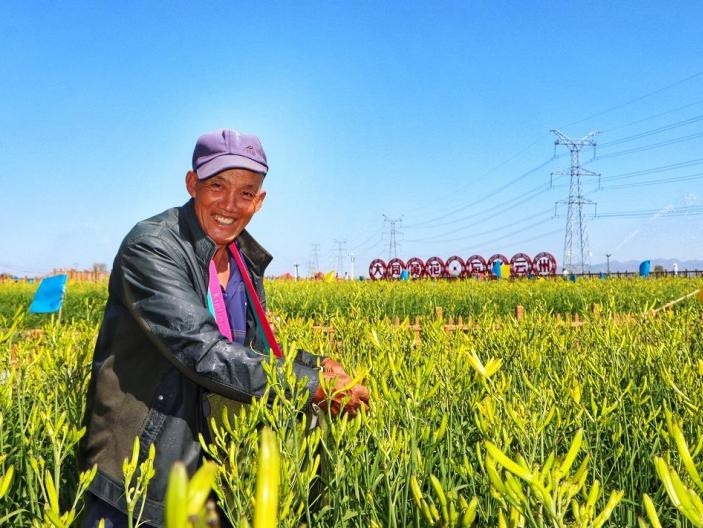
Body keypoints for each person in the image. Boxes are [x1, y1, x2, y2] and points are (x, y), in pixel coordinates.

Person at [79, 128, 369, 527]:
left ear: (260, 201)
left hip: (212, 471)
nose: (231, 205)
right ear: (191, 183)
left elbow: (248, 353)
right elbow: (203, 351)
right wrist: (310, 385)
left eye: (246, 193)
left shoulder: (243, 261)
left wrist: (316, 366)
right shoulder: (152, 246)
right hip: (138, 476)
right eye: (217, 186)